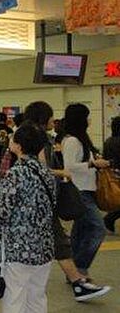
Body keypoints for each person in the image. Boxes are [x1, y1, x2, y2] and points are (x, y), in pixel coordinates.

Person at [24, 101, 110, 302]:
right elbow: (64, 167)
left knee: (71, 236)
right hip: (72, 192)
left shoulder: (73, 140)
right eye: (50, 116)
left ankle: (76, 277)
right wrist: (91, 164)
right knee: (95, 229)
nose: (54, 120)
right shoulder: (61, 140)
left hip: (74, 192)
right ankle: (79, 274)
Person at [0, 122, 55, 313]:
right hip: (44, 247)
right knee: (37, 299)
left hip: (19, 249)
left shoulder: (15, 174)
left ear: (18, 146)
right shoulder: (46, 173)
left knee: (15, 300)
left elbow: (2, 211)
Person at [62, 103, 110, 278]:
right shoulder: (72, 141)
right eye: (86, 116)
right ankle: (80, 268)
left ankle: (73, 272)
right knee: (98, 228)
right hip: (79, 191)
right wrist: (93, 164)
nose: (89, 120)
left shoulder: (81, 140)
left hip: (87, 189)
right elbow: (69, 166)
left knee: (80, 232)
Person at [102, 116, 120, 234]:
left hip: (111, 174)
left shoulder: (108, 141)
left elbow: (105, 157)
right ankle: (110, 218)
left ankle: (110, 218)